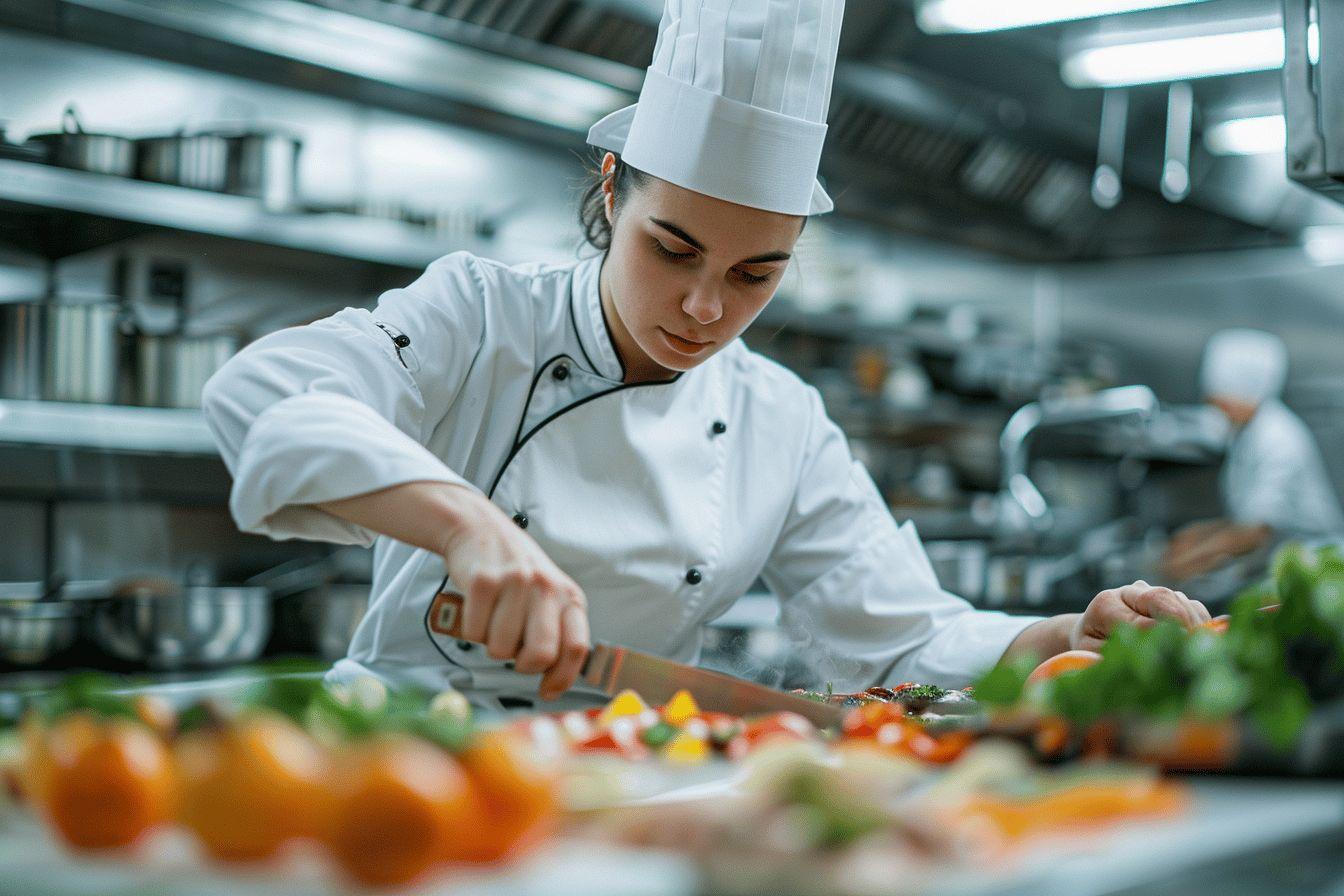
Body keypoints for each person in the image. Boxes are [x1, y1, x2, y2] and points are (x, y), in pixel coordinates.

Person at [203, 0, 1208, 707]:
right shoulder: (481, 316)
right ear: (612, 190)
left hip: (634, 773)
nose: (702, 306)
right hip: (403, 759)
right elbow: (262, 393)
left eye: (755, 274)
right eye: (672, 248)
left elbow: (901, 635)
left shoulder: (777, 418)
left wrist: (1060, 637)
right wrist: (466, 523)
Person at [1163, 328, 1344, 581]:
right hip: (1285, 564)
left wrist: (1187, 563)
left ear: (1247, 391)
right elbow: (1248, 518)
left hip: (1316, 569)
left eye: (1222, 400)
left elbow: (1256, 531)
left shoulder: (1276, 438)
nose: (1216, 409)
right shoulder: (1246, 432)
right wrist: (1199, 534)